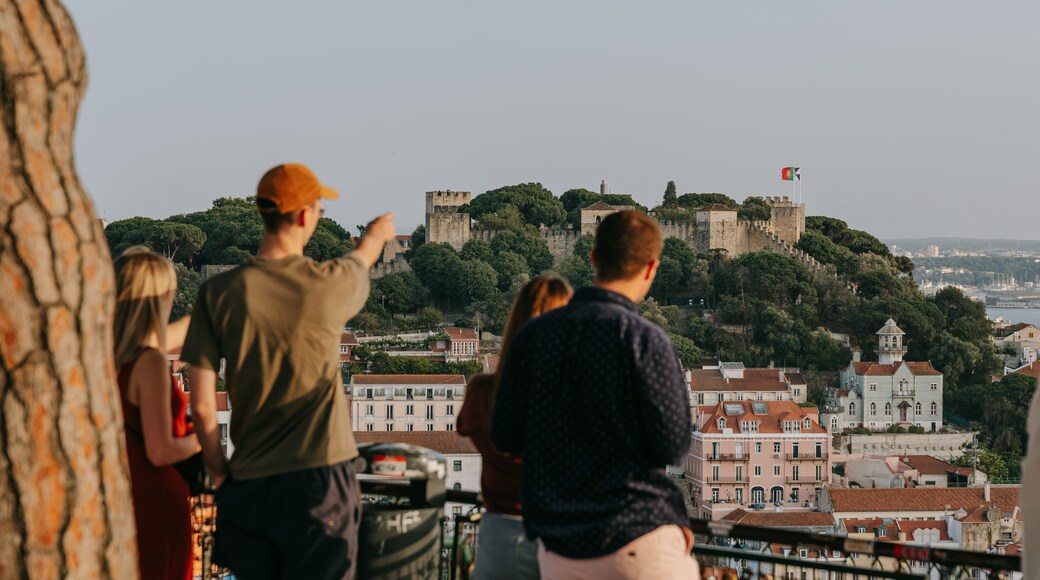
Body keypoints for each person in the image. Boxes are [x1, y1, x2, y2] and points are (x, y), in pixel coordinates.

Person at [181, 163, 395, 578]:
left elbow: (204, 406)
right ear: (303, 216)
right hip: (319, 478)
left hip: (251, 482)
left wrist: (220, 471)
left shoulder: (218, 293)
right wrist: (376, 234)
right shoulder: (325, 284)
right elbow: (361, 259)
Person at [491, 210, 699, 580]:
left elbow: (505, 434)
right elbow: (673, 447)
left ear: (593, 259)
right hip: (638, 536)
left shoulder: (534, 337)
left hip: (560, 549)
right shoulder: (645, 341)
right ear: (651, 268)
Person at [458, 275, 573, 580]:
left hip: (499, 539)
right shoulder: (576, 398)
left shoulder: (483, 392)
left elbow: (465, 426)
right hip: (562, 535)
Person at [113, 246, 201, 580]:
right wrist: (205, 437)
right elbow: (161, 450)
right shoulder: (148, 362)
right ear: (157, 300)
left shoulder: (114, 356)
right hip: (157, 499)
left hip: (128, 495)